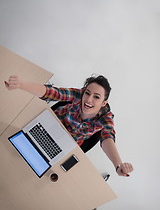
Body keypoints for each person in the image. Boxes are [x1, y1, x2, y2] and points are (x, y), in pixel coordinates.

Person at [4, 75, 133, 177]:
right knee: (14, 147)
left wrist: (118, 165)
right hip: (49, 123)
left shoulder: (106, 117)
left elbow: (107, 137)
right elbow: (54, 93)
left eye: (96, 97)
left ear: (104, 103)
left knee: (34, 167)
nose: (88, 100)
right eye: (87, 93)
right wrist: (21, 84)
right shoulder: (79, 95)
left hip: (66, 142)